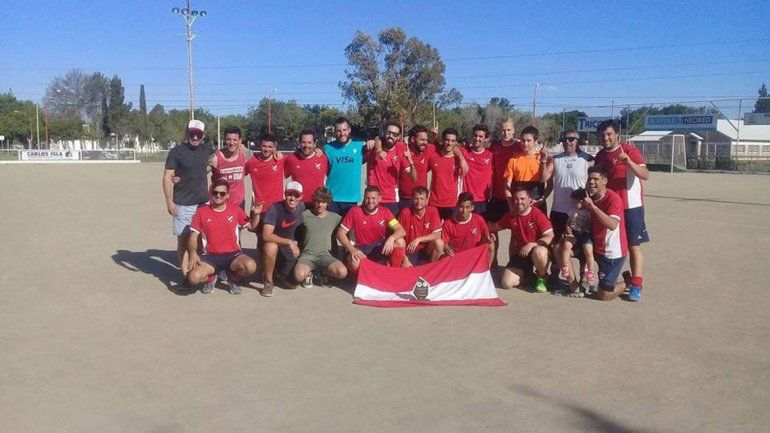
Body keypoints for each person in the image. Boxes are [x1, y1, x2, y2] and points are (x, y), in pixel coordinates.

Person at [594, 120, 649, 302]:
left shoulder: (629, 150)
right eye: (602, 135)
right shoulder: (600, 155)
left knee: (633, 245)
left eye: (609, 134)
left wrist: (629, 162)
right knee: (606, 244)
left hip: (630, 206)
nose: (606, 138)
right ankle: (605, 278)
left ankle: (636, 284)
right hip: (609, 207)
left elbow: (645, 175)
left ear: (617, 134)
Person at [186, 180, 260, 294]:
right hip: (210, 257)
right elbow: (192, 237)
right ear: (211, 193)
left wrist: (256, 214)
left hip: (233, 255)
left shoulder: (235, 209)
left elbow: (252, 227)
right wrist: (192, 253)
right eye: (215, 192)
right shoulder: (201, 212)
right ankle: (211, 278)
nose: (218, 195)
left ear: (228, 195)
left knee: (251, 266)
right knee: (193, 278)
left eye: (222, 193)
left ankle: (233, 278)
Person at [162, 119, 213, 282]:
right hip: (182, 205)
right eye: (192, 133)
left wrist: (200, 173)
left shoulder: (207, 149)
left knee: (199, 241)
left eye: (198, 134)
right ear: (187, 133)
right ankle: (184, 274)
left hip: (202, 205)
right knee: (183, 240)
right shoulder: (176, 151)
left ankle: (196, 270)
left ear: (203, 135)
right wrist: (169, 201)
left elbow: (217, 161)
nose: (195, 137)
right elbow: (167, 177)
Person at [488, 188, 554, 293]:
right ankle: (529, 277)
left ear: (529, 200)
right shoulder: (511, 215)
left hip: (536, 251)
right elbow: (495, 227)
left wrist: (532, 244)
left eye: (522, 199)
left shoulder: (538, 215)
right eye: (516, 199)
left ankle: (542, 278)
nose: (519, 202)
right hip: (520, 253)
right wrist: (481, 227)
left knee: (540, 252)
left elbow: (550, 236)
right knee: (506, 283)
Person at [582, 167, 628, 301]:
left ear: (605, 181)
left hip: (612, 254)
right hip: (596, 249)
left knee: (604, 295)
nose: (591, 182)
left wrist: (593, 208)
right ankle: (578, 281)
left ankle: (628, 282)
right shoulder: (588, 197)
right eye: (589, 179)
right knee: (565, 247)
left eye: (595, 179)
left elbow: (612, 225)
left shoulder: (613, 199)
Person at [337, 186, 407, 273]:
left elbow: (401, 230)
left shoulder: (385, 211)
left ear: (379, 199)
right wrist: (352, 249)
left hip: (377, 246)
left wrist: (391, 238)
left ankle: (394, 274)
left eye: (373, 198)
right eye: (367, 198)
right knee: (355, 263)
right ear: (364, 198)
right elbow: (340, 233)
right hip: (359, 247)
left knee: (400, 241)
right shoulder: (355, 211)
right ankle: (362, 281)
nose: (370, 201)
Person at [541, 130, 594, 237]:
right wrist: (543, 160)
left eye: (571, 139)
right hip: (558, 209)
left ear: (578, 141)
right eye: (564, 140)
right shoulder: (556, 159)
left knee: (581, 247)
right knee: (557, 245)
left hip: (579, 211)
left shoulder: (588, 160)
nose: (567, 142)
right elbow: (543, 178)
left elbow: (595, 183)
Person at [293, 187, 348, 288]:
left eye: (323, 202)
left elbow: (348, 228)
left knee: (342, 272)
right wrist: (293, 244)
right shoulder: (305, 215)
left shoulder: (335, 217)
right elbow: (291, 229)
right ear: (314, 202)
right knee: (299, 276)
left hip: (325, 255)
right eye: (317, 201)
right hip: (307, 255)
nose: (320, 205)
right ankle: (309, 273)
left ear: (328, 203)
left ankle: (323, 272)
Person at [260, 181, 306, 297]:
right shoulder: (274, 208)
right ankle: (268, 281)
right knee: (271, 247)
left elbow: (299, 229)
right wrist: (289, 242)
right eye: (290, 194)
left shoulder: (301, 207)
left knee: (292, 284)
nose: (292, 198)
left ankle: (276, 271)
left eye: (296, 195)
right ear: (285, 194)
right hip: (274, 243)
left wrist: (296, 244)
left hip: (288, 247)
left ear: (301, 197)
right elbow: (266, 235)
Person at [366, 122, 417, 215]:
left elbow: (413, 178)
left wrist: (411, 161)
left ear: (398, 137)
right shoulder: (372, 147)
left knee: (393, 228)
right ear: (384, 132)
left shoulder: (401, 149)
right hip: (372, 199)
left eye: (394, 134)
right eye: (388, 133)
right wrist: (377, 148)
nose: (390, 136)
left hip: (391, 200)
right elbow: (377, 139)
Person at [554, 188, 596, 295]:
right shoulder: (572, 210)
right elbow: (568, 221)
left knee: (588, 251)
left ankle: (590, 272)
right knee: (566, 246)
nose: (573, 203)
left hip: (585, 234)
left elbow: (593, 224)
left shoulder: (589, 211)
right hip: (574, 233)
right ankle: (565, 266)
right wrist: (567, 227)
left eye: (575, 201)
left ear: (582, 201)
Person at [324, 117, 368, 217]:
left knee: (348, 232)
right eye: (339, 130)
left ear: (349, 130)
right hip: (332, 198)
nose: (342, 133)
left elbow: (378, 142)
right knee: (332, 231)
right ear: (335, 131)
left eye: (344, 130)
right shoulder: (328, 148)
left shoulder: (360, 146)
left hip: (351, 199)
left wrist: (375, 143)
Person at [441, 192, 494, 265]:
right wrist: (447, 249)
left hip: (474, 255)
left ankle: (486, 272)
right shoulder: (448, 223)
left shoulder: (479, 219)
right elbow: (443, 243)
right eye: (461, 207)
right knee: (443, 257)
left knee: (491, 245)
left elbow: (485, 237)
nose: (464, 211)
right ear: (457, 206)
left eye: (467, 207)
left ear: (472, 207)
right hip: (455, 256)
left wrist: (490, 238)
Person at [504, 126, 548, 212]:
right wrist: (511, 205)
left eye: (528, 141)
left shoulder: (542, 159)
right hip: (519, 204)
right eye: (523, 140)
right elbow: (507, 186)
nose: (525, 143)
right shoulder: (513, 160)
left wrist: (542, 199)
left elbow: (550, 184)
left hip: (537, 204)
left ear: (536, 141)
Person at [397, 186, 443, 267]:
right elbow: (399, 238)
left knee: (439, 243)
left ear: (427, 200)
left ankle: (431, 268)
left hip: (426, 249)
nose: (419, 202)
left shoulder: (433, 211)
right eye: (416, 198)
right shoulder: (405, 213)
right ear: (412, 199)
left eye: (422, 199)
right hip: (410, 251)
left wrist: (419, 239)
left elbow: (437, 235)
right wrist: (404, 258)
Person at [486, 117, 522, 222]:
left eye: (509, 130)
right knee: (493, 228)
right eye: (503, 130)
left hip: (515, 195)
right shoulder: (494, 146)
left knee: (516, 229)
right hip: (497, 195)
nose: (506, 133)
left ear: (514, 130)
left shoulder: (520, 146)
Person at [208, 126, 251, 209]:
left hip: (239, 204)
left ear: (240, 141)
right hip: (219, 204)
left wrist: (275, 151)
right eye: (228, 139)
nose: (231, 143)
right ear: (224, 140)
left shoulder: (246, 155)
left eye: (235, 140)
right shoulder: (215, 158)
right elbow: (198, 172)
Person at [284, 129, 329, 207]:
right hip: (297, 204)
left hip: (317, 204)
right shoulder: (291, 159)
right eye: (303, 142)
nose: (306, 145)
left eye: (309, 142)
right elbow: (281, 177)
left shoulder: (322, 158)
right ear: (300, 143)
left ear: (314, 144)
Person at [397, 125, 435, 210]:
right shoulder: (401, 148)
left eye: (426, 140)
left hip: (421, 199)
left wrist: (462, 159)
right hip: (403, 199)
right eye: (422, 140)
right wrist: (377, 146)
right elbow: (382, 139)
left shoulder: (429, 149)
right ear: (413, 139)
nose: (425, 142)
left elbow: (450, 147)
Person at [427, 128, 463, 220]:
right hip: (433, 203)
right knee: (434, 233)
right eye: (447, 140)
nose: (449, 143)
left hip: (452, 203)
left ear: (456, 142)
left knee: (450, 233)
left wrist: (462, 159)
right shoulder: (433, 156)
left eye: (452, 141)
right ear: (443, 140)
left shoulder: (459, 159)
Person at [245, 132, 285, 212]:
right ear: (259, 145)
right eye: (264, 146)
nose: (267, 149)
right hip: (258, 208)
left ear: (274, 147)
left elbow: (298, 157)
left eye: (270, 147)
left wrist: (316, 150)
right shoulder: (251, 162)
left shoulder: (280, 159)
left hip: (277, 208)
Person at [462, 124, 494, 215]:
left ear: (486, 138)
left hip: (484, 199)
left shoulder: (491, 154)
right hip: (467, 199)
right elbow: (454, 147)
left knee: (483, 227)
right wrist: (461, 158)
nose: (477, 138)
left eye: (480, 136)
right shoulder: (465, 152)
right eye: (475, 135)